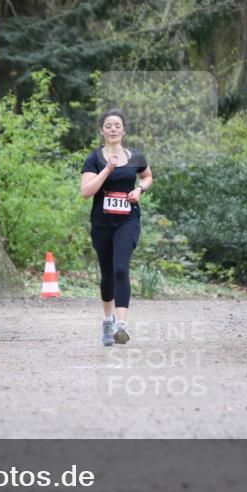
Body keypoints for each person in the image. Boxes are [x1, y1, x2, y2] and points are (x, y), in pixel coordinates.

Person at [80, 109, 152, 346]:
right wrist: (108, 169)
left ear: (124, 130)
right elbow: (86, 192)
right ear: (102, 130)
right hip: (102, 223)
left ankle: (122, 324)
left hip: (127, 220)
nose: (113, 129)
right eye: (108, 125)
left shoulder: (136, 156)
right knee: (108, 273)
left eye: (117, 125)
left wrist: (139, 190)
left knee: (121, 268)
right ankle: (107, 320)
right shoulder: (94, 158)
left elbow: (147, 177)